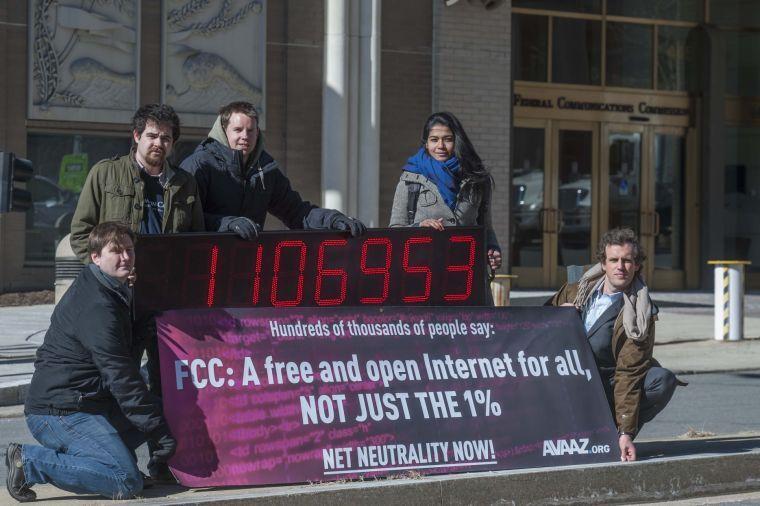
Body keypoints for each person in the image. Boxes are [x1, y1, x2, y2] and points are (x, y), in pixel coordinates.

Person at [6, 223, 176, 502]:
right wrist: (158, 430)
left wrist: (143, 326)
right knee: (125, 480)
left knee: (167, 414)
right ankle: (29, 462)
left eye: (129, 250)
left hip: (91, 402)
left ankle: (109, 461)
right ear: (95, 257)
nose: (125, 257)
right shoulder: (96, 304)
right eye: (116, 251)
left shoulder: (110, 289)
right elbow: (121, 376)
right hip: (59, 412)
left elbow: (120, 361)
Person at [548, 228, 681, 462]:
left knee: (661, 379)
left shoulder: (641, 312)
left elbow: (629, 373)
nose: (620, 266)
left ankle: (611, 437)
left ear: (637, 265)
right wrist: (557, 316)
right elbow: (535, 322)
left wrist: (625, 432)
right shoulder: (576, 286)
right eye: (614, 260)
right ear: (603, 263)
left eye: (627, 260)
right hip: (564, 377)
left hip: (605, 383)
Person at [179, 101, 366, 239]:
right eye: (238, 130)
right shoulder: (199, 165)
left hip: (248, 266)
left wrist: (333, 220)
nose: (245, 136)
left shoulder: (266, 170)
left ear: (257, 132)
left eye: (250, 130)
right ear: (223, 131)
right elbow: (183, 219)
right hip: (204, 266)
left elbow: (297, 212)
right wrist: (226, 224)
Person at [69, 103, 205, 260]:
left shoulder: (186, 183)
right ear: (137, 136)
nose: (158, 144)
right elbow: (80, 233)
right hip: (118, 281)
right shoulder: (105, 173)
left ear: (173, 143)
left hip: (167, 277)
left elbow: (197, 240)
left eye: (165, 138)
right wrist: (107, 271)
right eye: (152, 136)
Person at [388, 111, 501, 273]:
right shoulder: (410, 179)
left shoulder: (477, 179)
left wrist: (493, 249)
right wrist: (419, 226)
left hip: (468, 274)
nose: (440, 146)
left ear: (457, 141)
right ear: (426, 143)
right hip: (423, 273)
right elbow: (395, 230)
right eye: (434, 140)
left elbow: (486, 228)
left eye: (447, 139)